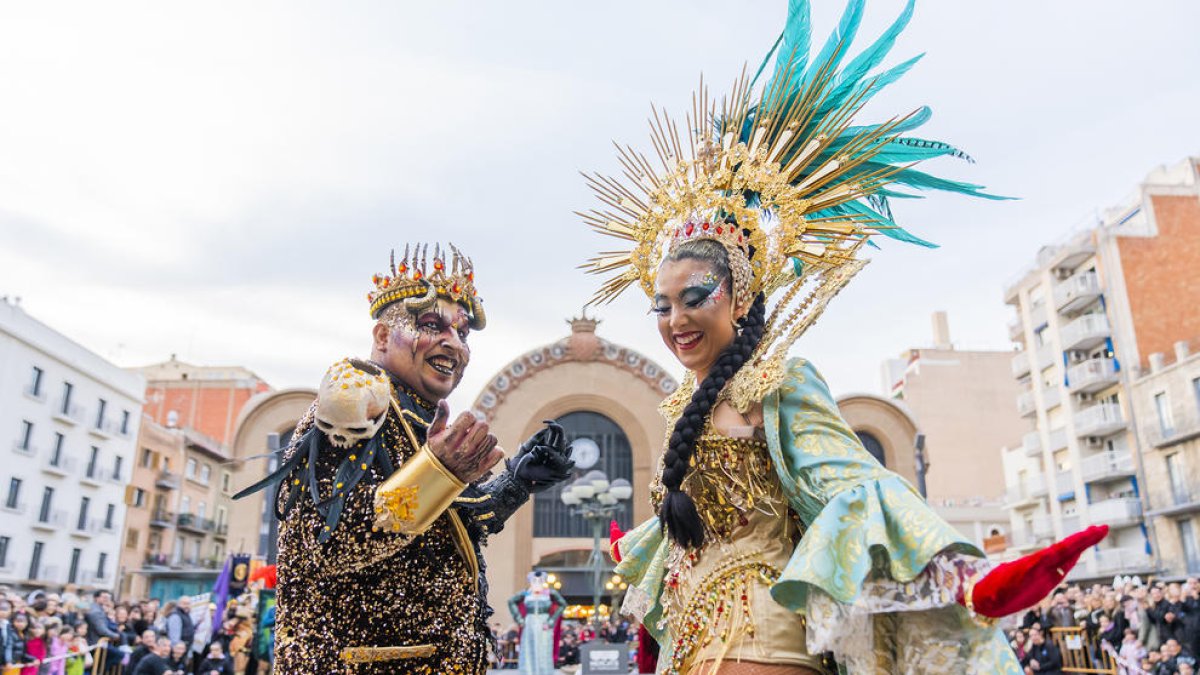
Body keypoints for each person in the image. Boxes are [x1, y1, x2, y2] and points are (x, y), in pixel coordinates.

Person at [586, 2, 1110, 673]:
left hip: (762, 631)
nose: (675, 320)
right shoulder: (675, 407)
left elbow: (855, 484)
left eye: (695, 299)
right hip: (692, 638)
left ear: (739, 299)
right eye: (660, 306)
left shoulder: (779, 384)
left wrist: (965, 578)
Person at [235, 244, 574, 674]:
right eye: (431, 325)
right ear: (382, 337)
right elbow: (333, 539)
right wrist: (438, 472)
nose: (453, 344)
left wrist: (516, 482)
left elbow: (448, 527)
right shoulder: (358, 401)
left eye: (463, 334)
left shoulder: (419, 415)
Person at [508, 572, 566, 675]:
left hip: (544, 623)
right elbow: (511, 601)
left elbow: (562, 604)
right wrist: (519, 619)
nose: (537, 582)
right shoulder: (526, 593)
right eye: (534, 580)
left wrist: (552, 620)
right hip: (529, 623)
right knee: (528, 649)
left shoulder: (549, 593)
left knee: (544, 649)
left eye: (539, 580)